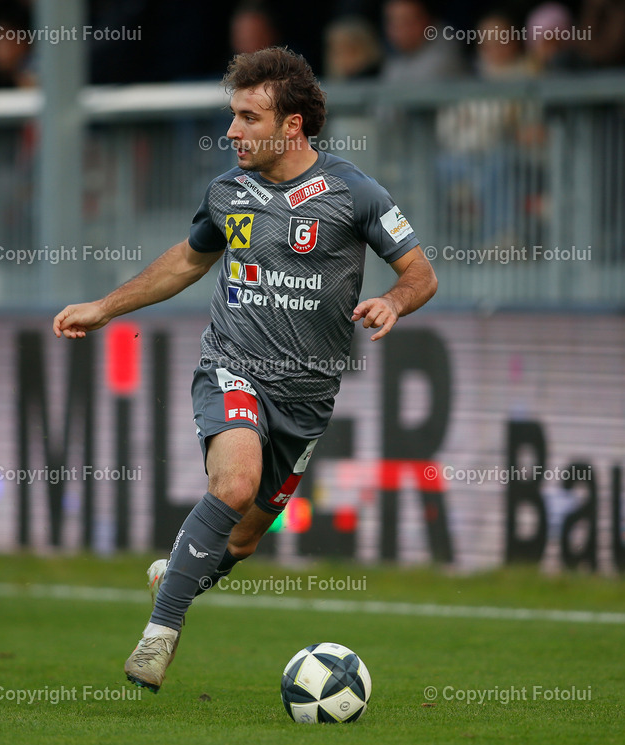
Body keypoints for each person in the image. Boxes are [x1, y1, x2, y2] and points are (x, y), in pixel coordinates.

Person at [52, 47, 437, 694]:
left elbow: (420, 272)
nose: (231, 131)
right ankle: (161, 631)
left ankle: (179, 570)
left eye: (247, 117)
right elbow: (186, 260)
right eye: (232, 115)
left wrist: (393, 300)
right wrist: (104, 308)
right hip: (233, 367)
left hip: (308, 396)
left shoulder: (355, 193)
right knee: (234, 485)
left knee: (246, 535)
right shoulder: (228, 192)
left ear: (291, 126)